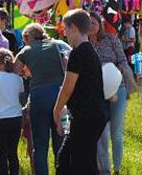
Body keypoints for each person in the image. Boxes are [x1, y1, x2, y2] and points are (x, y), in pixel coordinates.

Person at [53, 9, 109, 175]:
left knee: (82, 166)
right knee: (65, 160)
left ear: (74, 28)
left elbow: (67, 89)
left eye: (66, 28)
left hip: (87, 116)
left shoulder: (78, 53)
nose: (64, 33)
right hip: (91, 115)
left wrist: (56, 111)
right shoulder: (90, 50)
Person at [14, 23, 66, 175]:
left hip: (39, 97)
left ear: (27, 37)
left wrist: (28, 73)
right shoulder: (57, 45)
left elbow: (15, 70)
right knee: (62, 140)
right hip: (61, 96)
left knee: (40, 145)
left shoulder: (26, 50)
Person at [89, 12, 129, 175]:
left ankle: (117, 168)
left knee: (116, 131)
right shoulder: (83, 44)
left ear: (100, 24)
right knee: (102, 131)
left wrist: (116, 75)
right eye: (88, 22)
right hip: (96, 92)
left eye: (94, 22)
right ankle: (104, 169)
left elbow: (122, 60)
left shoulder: (112, 39)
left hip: (117, 87)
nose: (91, 25)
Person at [0, 49, 24, 175]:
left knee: (1, 153)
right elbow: (20, 98)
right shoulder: (18, 78)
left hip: (0, 119)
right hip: (16, 118)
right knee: (13, 152)